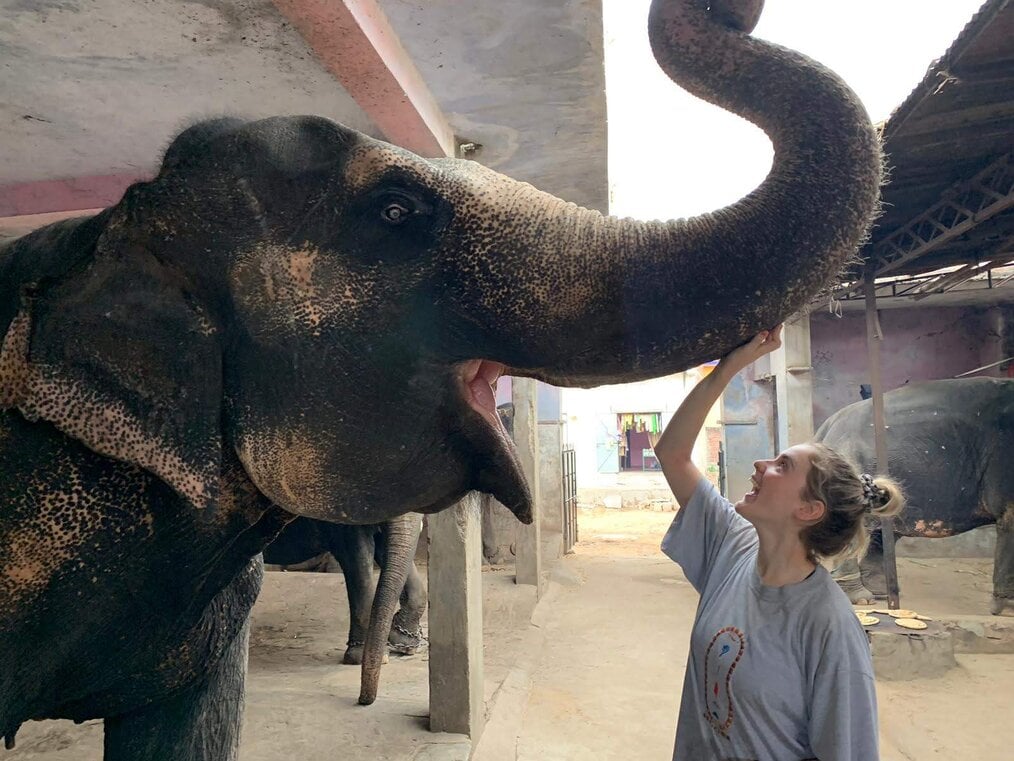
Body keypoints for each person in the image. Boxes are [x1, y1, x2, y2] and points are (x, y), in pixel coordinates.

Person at [654, 326, 904, 761]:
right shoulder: (734, 547)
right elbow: (672, 453)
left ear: (808, 510)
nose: (760, 464)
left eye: (781, 466)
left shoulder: (829, 627)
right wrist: (729, 367)